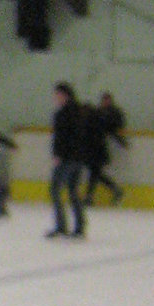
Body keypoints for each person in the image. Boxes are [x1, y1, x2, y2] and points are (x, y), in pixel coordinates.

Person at [47, 82, 88, 239]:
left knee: (55, 189)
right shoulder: (79, 112)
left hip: (67, 158)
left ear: (64, 95)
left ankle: (61, 226)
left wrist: (58, 155)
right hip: (78, 158)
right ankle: (79, 226)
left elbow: (62, 138)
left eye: (57, 94)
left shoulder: (63, 114)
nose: (55, 98)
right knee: (72, 192)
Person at [84, 90, 127, 207]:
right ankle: (115, 190)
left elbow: (113, 130)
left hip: (98, 150)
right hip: (94, 149)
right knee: (95, 174)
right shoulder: (98, 115)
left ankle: (90, 197)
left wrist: (121, 141)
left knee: (95, 173)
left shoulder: (110, 114)